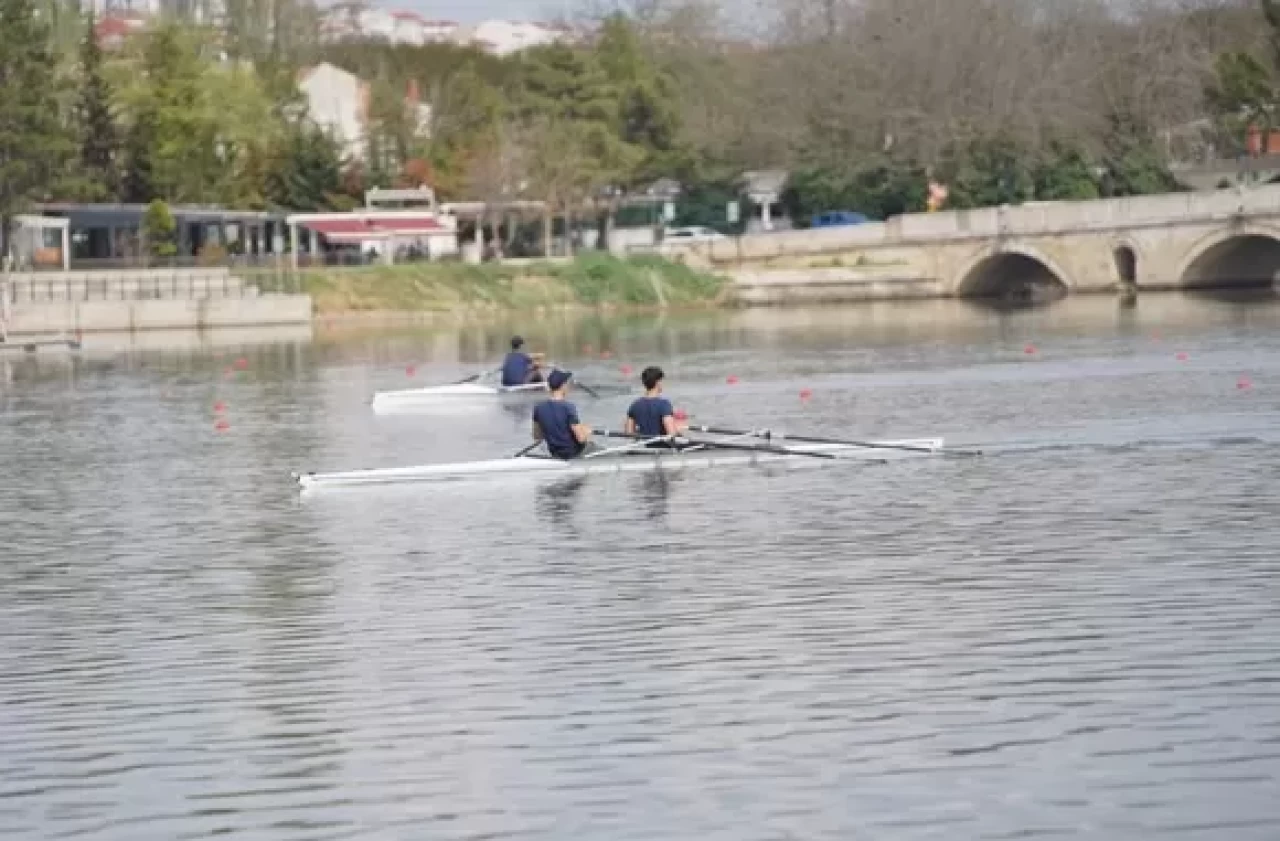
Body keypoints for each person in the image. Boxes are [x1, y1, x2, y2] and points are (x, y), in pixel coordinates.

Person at [532, 370, 596, 459]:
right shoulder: (568, 407)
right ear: (563, 386)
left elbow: (537, 436)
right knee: (596, 447)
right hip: (574, 454)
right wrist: (587, 432)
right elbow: (581, 438)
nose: (569, 386)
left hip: (555, 453)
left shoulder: (538, 408)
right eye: (567, 383)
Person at [625, 366, 686, 445]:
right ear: (658, 382)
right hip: (662, 447)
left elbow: (629, 434)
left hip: (644, 447)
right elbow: (671, 434)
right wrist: (678, 430)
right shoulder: (664, 404)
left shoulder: (634, 405)